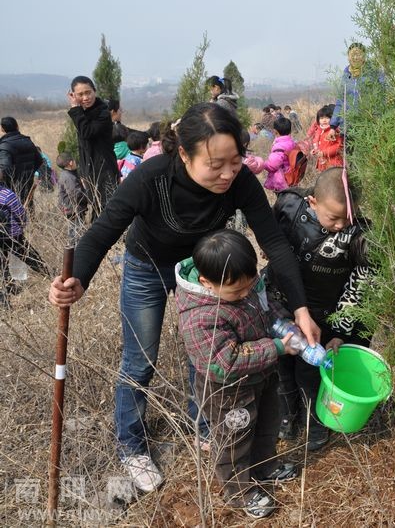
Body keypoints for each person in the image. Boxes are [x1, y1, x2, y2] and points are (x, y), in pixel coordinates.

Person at [48, 102, 320, 494]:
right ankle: (132, 446)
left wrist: (300, 307)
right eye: (215, 164)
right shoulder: (152, 178)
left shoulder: (240, 179)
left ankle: (206, 427)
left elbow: (273, 242)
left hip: (202, 274)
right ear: (184, 154)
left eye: (236, 160)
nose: (228, 173)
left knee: (206, 356)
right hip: (147, 268)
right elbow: (104, 230)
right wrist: (76, 279)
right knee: (139, 359)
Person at [175, 229, 300, 519]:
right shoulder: (200, 315)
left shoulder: (241, 284)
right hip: (229, 391)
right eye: (236, 292)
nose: (246, 294)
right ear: (206, 282)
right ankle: (238, 491)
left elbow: (264, 309)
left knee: (267, 424)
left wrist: (285, 323)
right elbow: (226, 361)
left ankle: (265, 466)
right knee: (235, 440)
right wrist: (278, 347)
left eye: (250, 285)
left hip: (262, 377)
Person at [268, 167, 372, 451]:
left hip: (322, 316)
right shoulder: (289, 207)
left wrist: (340, 331)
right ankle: (288, 415)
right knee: (282, 366)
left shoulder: (358, 236)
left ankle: (316, 421)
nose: (340, 225)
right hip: (281, 304)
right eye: (333, 217)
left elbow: (359, 284)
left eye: (346, 218)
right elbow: (271, 235)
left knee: (309, 372)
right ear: (312, 202)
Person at [67, 76, 120, 221]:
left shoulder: (103, 112)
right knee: (96, 209)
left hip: (105, 170)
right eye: (80, 94)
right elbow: (83, 148)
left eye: (88, 92)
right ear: (73, 95)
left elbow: (87, 132)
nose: (85, 97)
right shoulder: (83, 113)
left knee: (106, 211)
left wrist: (75, 109)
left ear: (94, 91)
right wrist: (83, 172)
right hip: (90, 171)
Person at [0, 170, 51, 305]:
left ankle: (9, 292)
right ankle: (47, 274)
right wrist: (23, 224)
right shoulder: (6, 194)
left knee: (2, 265)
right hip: (12, 235)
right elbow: (20, 214)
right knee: (29, 255)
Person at [0, 117, 43, 211]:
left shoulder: (4, 146)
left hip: (12, 187)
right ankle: (34, 225)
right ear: (17, 126)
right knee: (29, 208)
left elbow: (5, 169)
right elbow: (39, 160)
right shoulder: (28, 141)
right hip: (28, 182)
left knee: (14, 214)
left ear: (2, 129)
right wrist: (29, 173)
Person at [55, 152, 88, 243]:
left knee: (75, 230)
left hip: (71, 208)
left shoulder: (67, 174)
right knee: (77, 233)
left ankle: (74, 249)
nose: (75, 162)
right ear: (70, 163)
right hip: (73, 209)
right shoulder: (68, 177)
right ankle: (75, 250)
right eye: (74, 160)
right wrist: (87, 193)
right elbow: (76, 194)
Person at [263, 117, 295, 192]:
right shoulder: (292, 142)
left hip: (282, 181)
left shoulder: (279, 147)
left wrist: (263, 163)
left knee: (283, 200)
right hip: (291, 176)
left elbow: (273, 165)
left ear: (275, 132)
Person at [310, 105, 343, 172]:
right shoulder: (319, 131)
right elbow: (319, 145)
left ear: (332, 119)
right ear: (318, 120)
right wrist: (315, 150)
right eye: (321, 118)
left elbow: (338, 146)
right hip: (323, 164)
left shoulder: (334, 131)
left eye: (327, 118)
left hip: (334, 163)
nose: (324, 120)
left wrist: (324, 153)